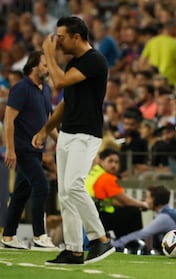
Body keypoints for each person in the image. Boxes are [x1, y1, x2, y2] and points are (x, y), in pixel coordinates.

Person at [32, 16, 114, 265]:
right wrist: (46, 129)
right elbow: (66, 102)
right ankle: (74, 249)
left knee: (74, 185)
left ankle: (101, 239)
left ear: (76, 37)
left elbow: (58, 83)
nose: (57, 41)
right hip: (68, 132)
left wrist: (48, 53)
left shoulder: (94, 60)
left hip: (86, 133)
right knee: (65, 193)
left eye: (61, 36)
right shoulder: (75, 64)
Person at [1, 51, 57, 250]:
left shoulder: (46, 90)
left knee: (20, 194)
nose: (48, 68)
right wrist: (10, 149)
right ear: (33, 66)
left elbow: (49, 121)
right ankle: (39, 235)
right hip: (22, 149)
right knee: (41, 186)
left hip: (37, 150)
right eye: (44, 65)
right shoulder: (20, 88)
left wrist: (59, 141)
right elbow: (9, 120)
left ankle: (8, 236)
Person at [85, 148, 148, 238]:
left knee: (126, 210)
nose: (114, 165)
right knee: (134, 212)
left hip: (91, 213)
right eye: (110, 161)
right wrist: (144, 204)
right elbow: (126, 201)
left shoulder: (93, 173)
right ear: (102, 161)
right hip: (99, 217)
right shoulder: (107, 177)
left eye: (116, 162)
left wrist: (136, 204)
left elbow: (110, 201)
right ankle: (133, 243)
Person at [112, 185, 176, 253]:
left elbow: (142, 234)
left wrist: (116, 243)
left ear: (155, 200)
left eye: (148, 197)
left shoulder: (164, 217)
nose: (145, 201)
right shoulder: (172, 212)